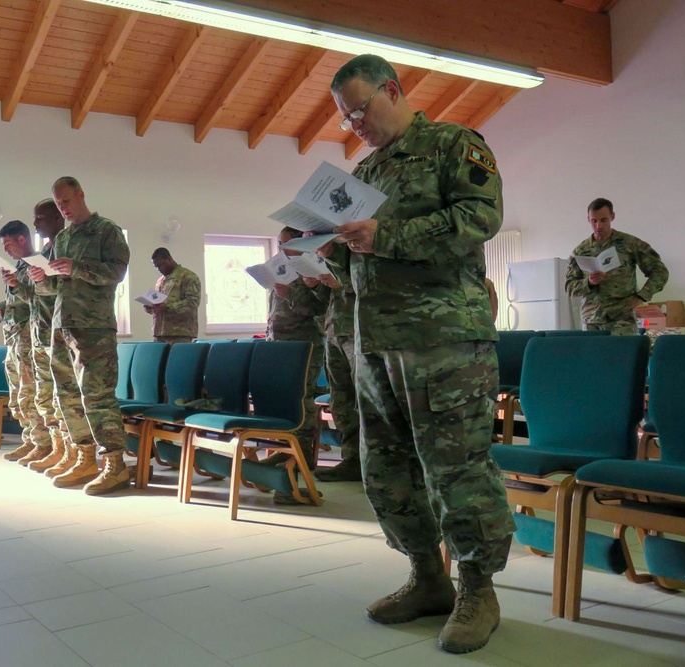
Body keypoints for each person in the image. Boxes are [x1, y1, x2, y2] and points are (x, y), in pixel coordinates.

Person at [328, 54, 515, 654]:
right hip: (374, 341)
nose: (354, 123)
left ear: (392, 89)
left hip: (443, 341)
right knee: (388, 469)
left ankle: (477, 589)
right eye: (345, 117)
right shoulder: (364, 173)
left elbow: (480, 215)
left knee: (455, 468)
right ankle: (427, 577)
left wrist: (389, 237)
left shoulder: (453, 144)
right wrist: (319, 255)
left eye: (359, 109)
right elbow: (356, 253)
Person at [29, 177, 131, 496]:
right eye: (59, 204)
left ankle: (115, 464)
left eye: (67, 201)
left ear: (81, 195)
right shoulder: (62, 237)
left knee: (97, 396)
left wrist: (77, 268)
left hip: (94, 327)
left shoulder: (106, 230)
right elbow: (55, 287)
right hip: (63, 325)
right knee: (67, 395)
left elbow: (117, 271)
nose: (64, 208)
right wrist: (41, 278)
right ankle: (85, 457)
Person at [264, 227, 328, 502]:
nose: (281, 248)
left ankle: (301, 457)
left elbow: (316, 308)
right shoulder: (280, 267)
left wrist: (289, 292)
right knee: (284, 399)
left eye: (286, 243)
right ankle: (285, 449)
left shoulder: (311, 267)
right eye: (279, 243)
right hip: (279, 343)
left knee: (302, 399)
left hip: (304, 342)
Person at [0, 221, 49, 466]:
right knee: (19, 394)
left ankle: (43, 443)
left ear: (22, 239)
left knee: (32, 394)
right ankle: (30, 439)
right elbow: (17, 304)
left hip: (31, 340)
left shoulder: (39, 265)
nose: (6, 250)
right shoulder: (17, 267)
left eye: (8, 244)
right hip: (14, 339)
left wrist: (15, 285)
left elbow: (40, 302)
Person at [565, 198, 669, 335]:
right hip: (591, 321)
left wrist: (641, 297)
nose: (598, 226)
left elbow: (660, 272)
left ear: (612, 217)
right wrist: (589, 282)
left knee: (624, 356)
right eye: (594, 221)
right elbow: (569, 287)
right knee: (594, 357)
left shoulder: (630, 244)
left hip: (621, 320)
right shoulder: (580, 251)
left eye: (603, 220)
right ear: (588, 220)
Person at [312, 255, 362, 483]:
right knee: (341, 399)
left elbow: (374, 285)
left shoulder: (360, 249)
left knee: (364, 399)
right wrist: (316, 285)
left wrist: (342, 281)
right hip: (335, 331)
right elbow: (326, 299)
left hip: (359, 331)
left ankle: (373, 462)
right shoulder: (331, 257)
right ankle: (351, 460)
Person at [147, 247, 202, 343]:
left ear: (169, 259)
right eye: (156, 267)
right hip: (159, 333)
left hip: (179, 333)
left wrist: (168, 307)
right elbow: (159, 304)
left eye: (160, 265)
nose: (158, 269)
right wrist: (151, 308)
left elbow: (192, 302)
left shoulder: (188, 276)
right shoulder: (160, 281)